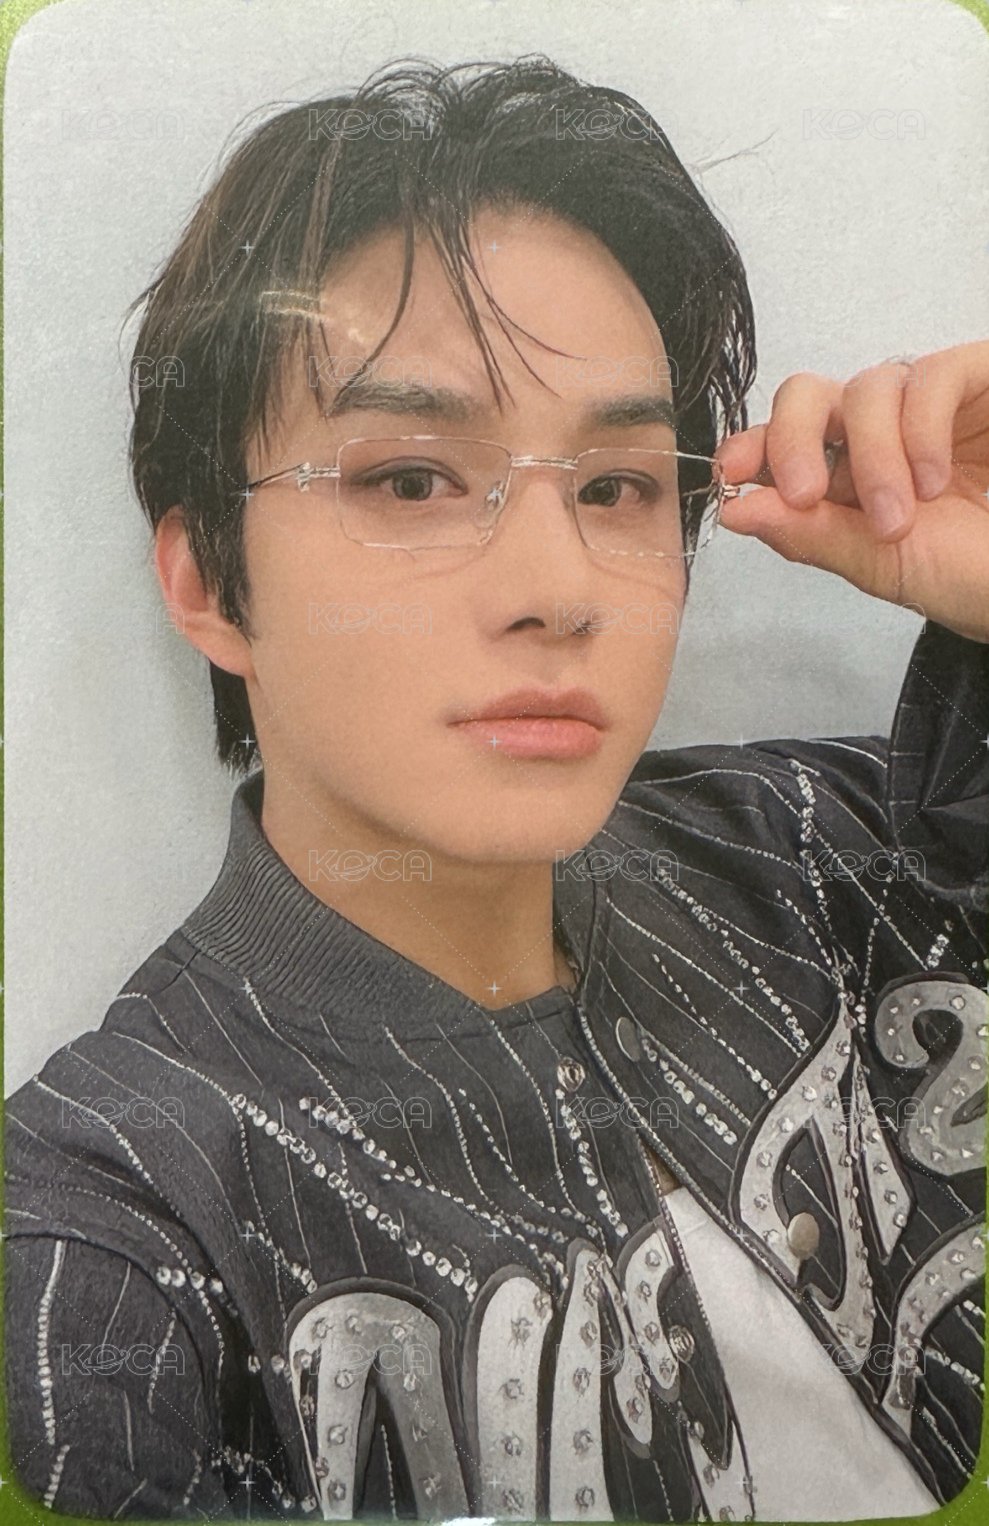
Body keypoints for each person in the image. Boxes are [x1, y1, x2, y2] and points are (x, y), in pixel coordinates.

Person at [4, 55, 987, 1522]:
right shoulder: (117, 1216)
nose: (558, 586)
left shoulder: (833, 843)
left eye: (615, 486)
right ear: (208, 579)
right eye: (410, 480)